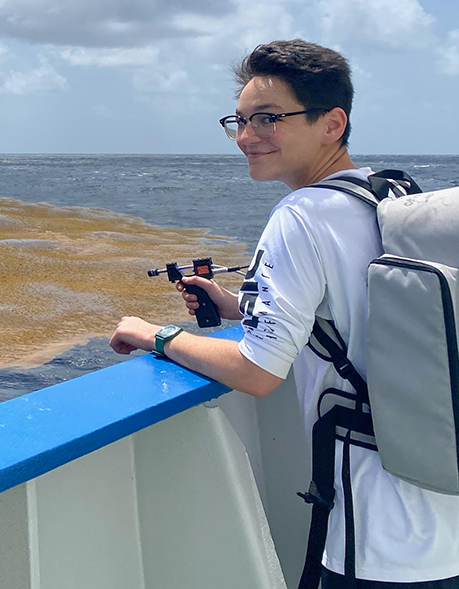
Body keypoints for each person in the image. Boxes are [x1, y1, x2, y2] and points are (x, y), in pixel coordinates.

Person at [108, 39, 459, 588]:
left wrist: (157, 335)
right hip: (443, 513)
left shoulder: (301, 215)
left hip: (379, 537)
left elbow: (256, 372)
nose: (247, 138)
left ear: (332, 122)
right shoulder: (387, 195)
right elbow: (369, 318)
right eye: (239, 121)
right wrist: (235, 305)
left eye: (268, 119)